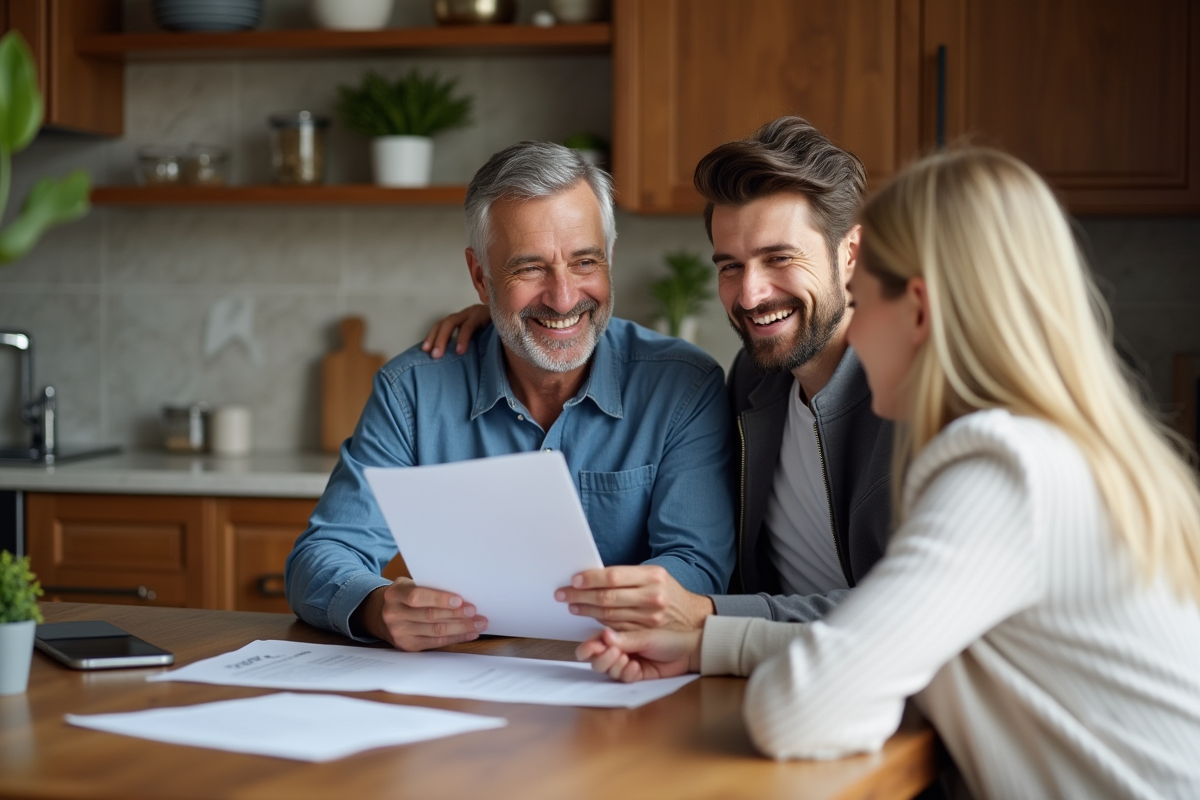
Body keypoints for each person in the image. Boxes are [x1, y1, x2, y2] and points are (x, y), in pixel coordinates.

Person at [575, 147, 1200, 799]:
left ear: (917, 309)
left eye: (865, 299)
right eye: (731, 266)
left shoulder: (1001, 470)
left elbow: (803, 708)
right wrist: (708, 644)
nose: (857, 333)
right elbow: (906, 635)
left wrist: (737, 639)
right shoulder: (1051, 449)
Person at [424, 117, 892, 628]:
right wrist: (505, 313)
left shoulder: (916, 397)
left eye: (779, 258)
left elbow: (910, 612)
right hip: (766, 674)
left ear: (850, 253)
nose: (751, 294)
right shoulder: (758, 380)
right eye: (730, 266)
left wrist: (705, 615)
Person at [285, 140, 736, 652]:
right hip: (464, 692)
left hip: (621, 681)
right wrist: (375, 608)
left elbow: (696, 566)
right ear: (481, 276)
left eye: (584, 262)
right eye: (529, 268)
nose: (563, 298)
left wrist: (588, 607)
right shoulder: (411, 391)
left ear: (609, 260)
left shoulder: (685, 387)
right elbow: (321, 556)